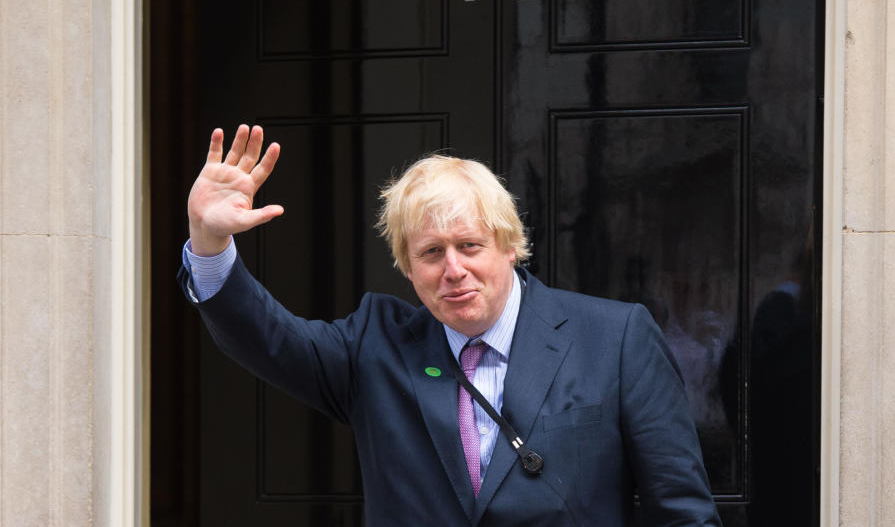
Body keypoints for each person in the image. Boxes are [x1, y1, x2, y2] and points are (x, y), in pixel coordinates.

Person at [178, 124, 722, 527]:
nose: (454, 269)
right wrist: (210, 243)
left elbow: (682, 510)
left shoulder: (616, 338)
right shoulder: (375, 348)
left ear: (510, 246)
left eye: (470, 246)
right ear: (408, 269)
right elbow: (267, 339)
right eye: (432, 252)